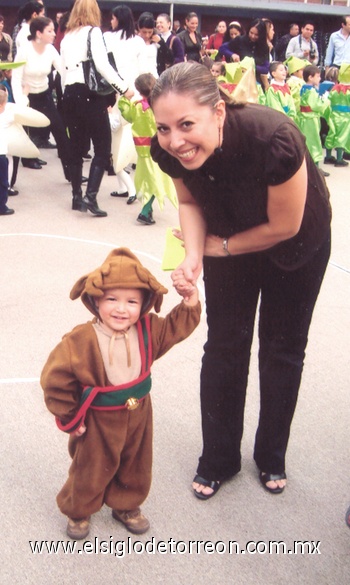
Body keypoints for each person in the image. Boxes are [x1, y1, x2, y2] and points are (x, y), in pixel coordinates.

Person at [150, 61, 331, 499]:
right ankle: (219, 458)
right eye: (163, 128)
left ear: (219, 112)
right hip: (227, 233)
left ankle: (271, 454)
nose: (175, 141)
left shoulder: (274, 139)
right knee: (225, 346)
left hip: (294, 243)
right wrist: (194, 255)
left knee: (283, 349)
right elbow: (190, 203)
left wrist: (221, 248)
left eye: (187, 124)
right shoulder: (172, 151)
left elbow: (283, 226)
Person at [41, 247, 201, 539]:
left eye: (131, 301)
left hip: (139, 412)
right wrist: (70, 415)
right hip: (99, 419)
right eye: (111, 299)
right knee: (90, 466)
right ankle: (78, 510)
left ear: (145, 304)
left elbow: (175, 328)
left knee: (136, 462)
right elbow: (55, 378)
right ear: (95, 300)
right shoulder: (81, 339)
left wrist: (189, 301)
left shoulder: (148, 330)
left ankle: (126, 505)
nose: (121, 309)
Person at [60, 0, 132, 216]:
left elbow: (63, 72)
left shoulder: (67, 36)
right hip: (89, 94)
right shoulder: (93, 32)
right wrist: (123, 87)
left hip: (70, 93)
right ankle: (91, 197)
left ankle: (76, 196)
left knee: (76, 147)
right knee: (102, 148)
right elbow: (102, 65)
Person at [12, 16, 73, 181]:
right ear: (39, 33)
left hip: (44, 96)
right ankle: (11, 182)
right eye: (50, 31)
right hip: (26, 97)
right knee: (21, 137)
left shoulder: (51, 50)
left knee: (60, 131)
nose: (54, 34)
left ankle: (71, 175)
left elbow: (63, 71)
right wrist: (22, 102)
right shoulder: (24, 50)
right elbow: (16, 79)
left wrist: (72, 87)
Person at [118, 73, 178, 225]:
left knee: (148, 178)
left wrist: (124, 99)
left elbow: (126, 113)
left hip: (142, 149)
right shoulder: (159, 106)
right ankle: (145, 210)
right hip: (158, 148)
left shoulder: (137, 106)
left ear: (138, 90)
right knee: (154, 179)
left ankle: (147, 209)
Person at [103, 4, 148, 95]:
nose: (111, 22)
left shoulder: (106, 37)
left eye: (113, 18)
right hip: (134, 90)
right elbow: (143, 69)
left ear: (118, 20)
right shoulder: (138, 41)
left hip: (110, 88)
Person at [218, 19, 270, 89]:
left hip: (254, 83)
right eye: (251, 33)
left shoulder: (264, 47)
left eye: (256, 35)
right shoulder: (240, 40)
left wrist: (251, 67)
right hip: (237, 81)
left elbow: (266, 68)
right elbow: (222, 48)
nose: (253, 36)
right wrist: (232, 54)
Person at [298, 65, 329, 170]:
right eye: (318, 76)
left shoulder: (304, 88)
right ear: (310, 77)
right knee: (314, 142)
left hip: (305, 118)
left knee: (308, 141)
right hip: (311, 119)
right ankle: (315, 168)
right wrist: (325, 99)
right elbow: (316, 106)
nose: (320, 78)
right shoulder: (311, 91)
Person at [324, 62, 350, 167]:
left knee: (331, 135)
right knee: (342, 136)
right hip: (345, 117)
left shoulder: (334, 89)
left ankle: (328, 157)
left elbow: (327, 101)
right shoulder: (348, 90)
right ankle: (339, 159)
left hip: (333, 115)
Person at [0, 88, 14, 215]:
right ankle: (1, 206)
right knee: (3, 182)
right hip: (1, 156)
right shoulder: (5, 118)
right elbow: (15, 113)